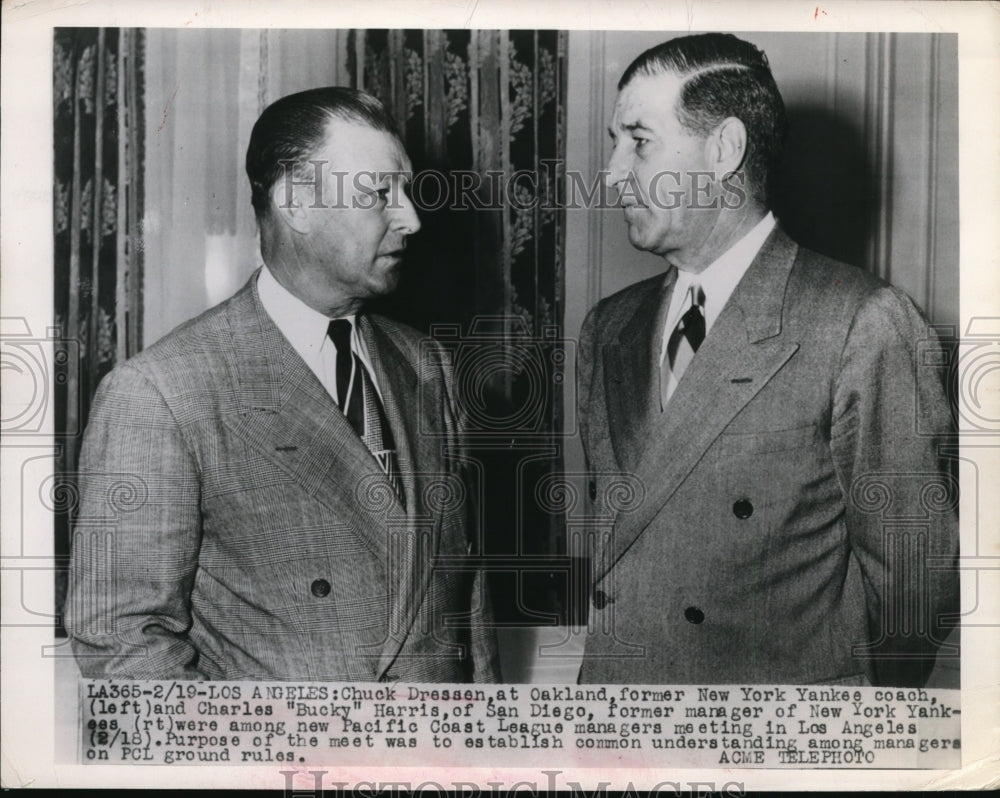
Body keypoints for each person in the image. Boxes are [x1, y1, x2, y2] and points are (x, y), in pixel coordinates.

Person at [65, 87, 499, 682]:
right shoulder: (161, 393)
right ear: (296, 201)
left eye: (409, 192)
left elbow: (464, 604)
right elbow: (122, 644)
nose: (412, 219)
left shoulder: (427, 364)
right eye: (380, 194)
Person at [577, 34, 958, 686]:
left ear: (723, 150)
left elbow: (913, 593)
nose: (611, 172)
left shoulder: (862, 323)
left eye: (638, 141)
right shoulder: (608, 328)